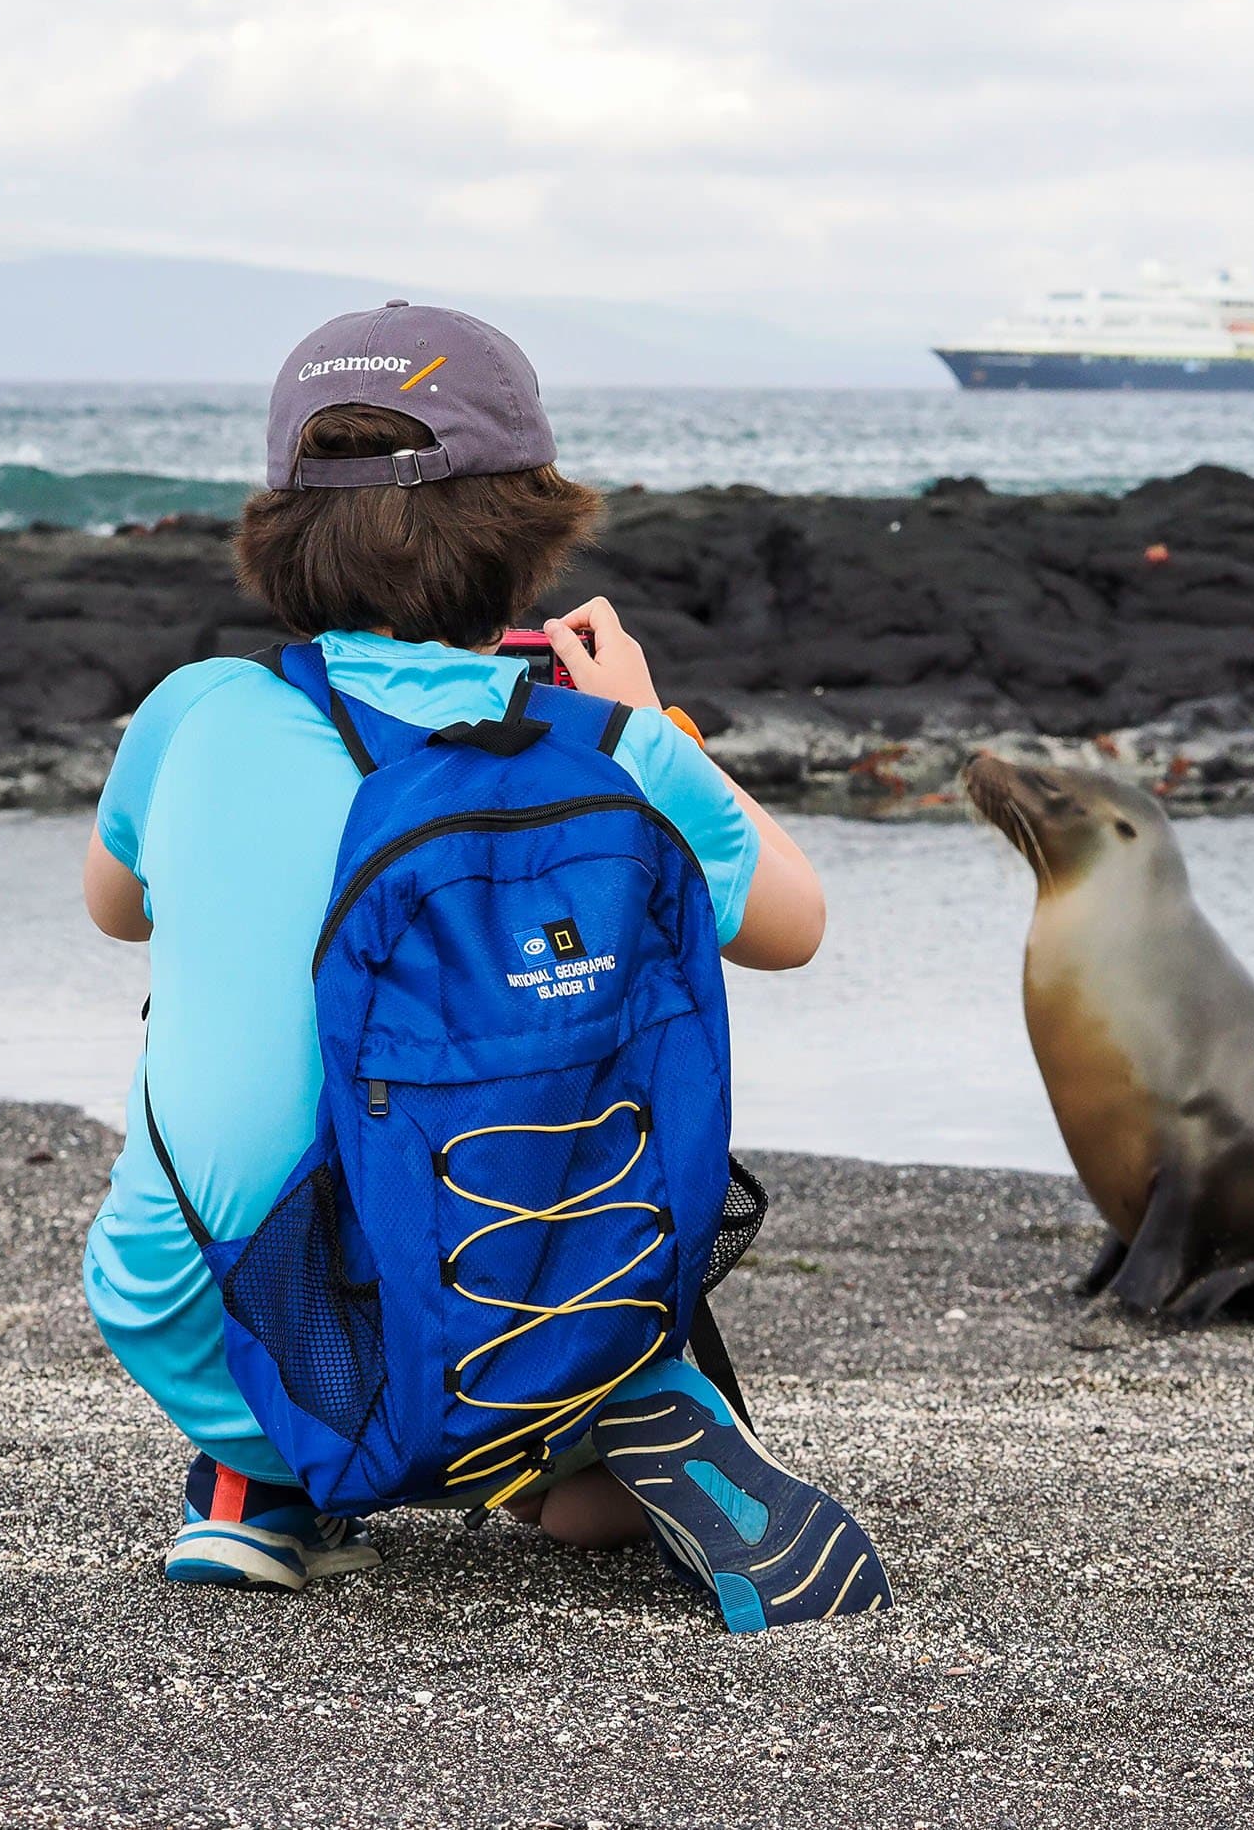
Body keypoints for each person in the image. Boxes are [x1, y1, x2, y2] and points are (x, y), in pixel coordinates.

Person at [82, 302, 876, 1627]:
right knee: (559, 1056)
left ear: (284, 528)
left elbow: (119, 913)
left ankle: (257, 1487)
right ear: (529, 529)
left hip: (195, 1315)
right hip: (485, 1311)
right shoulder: (604, 743)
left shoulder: (195, 712)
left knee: (219, 1019)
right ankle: (605, 1411)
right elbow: (794, 926)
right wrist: (647, 719)